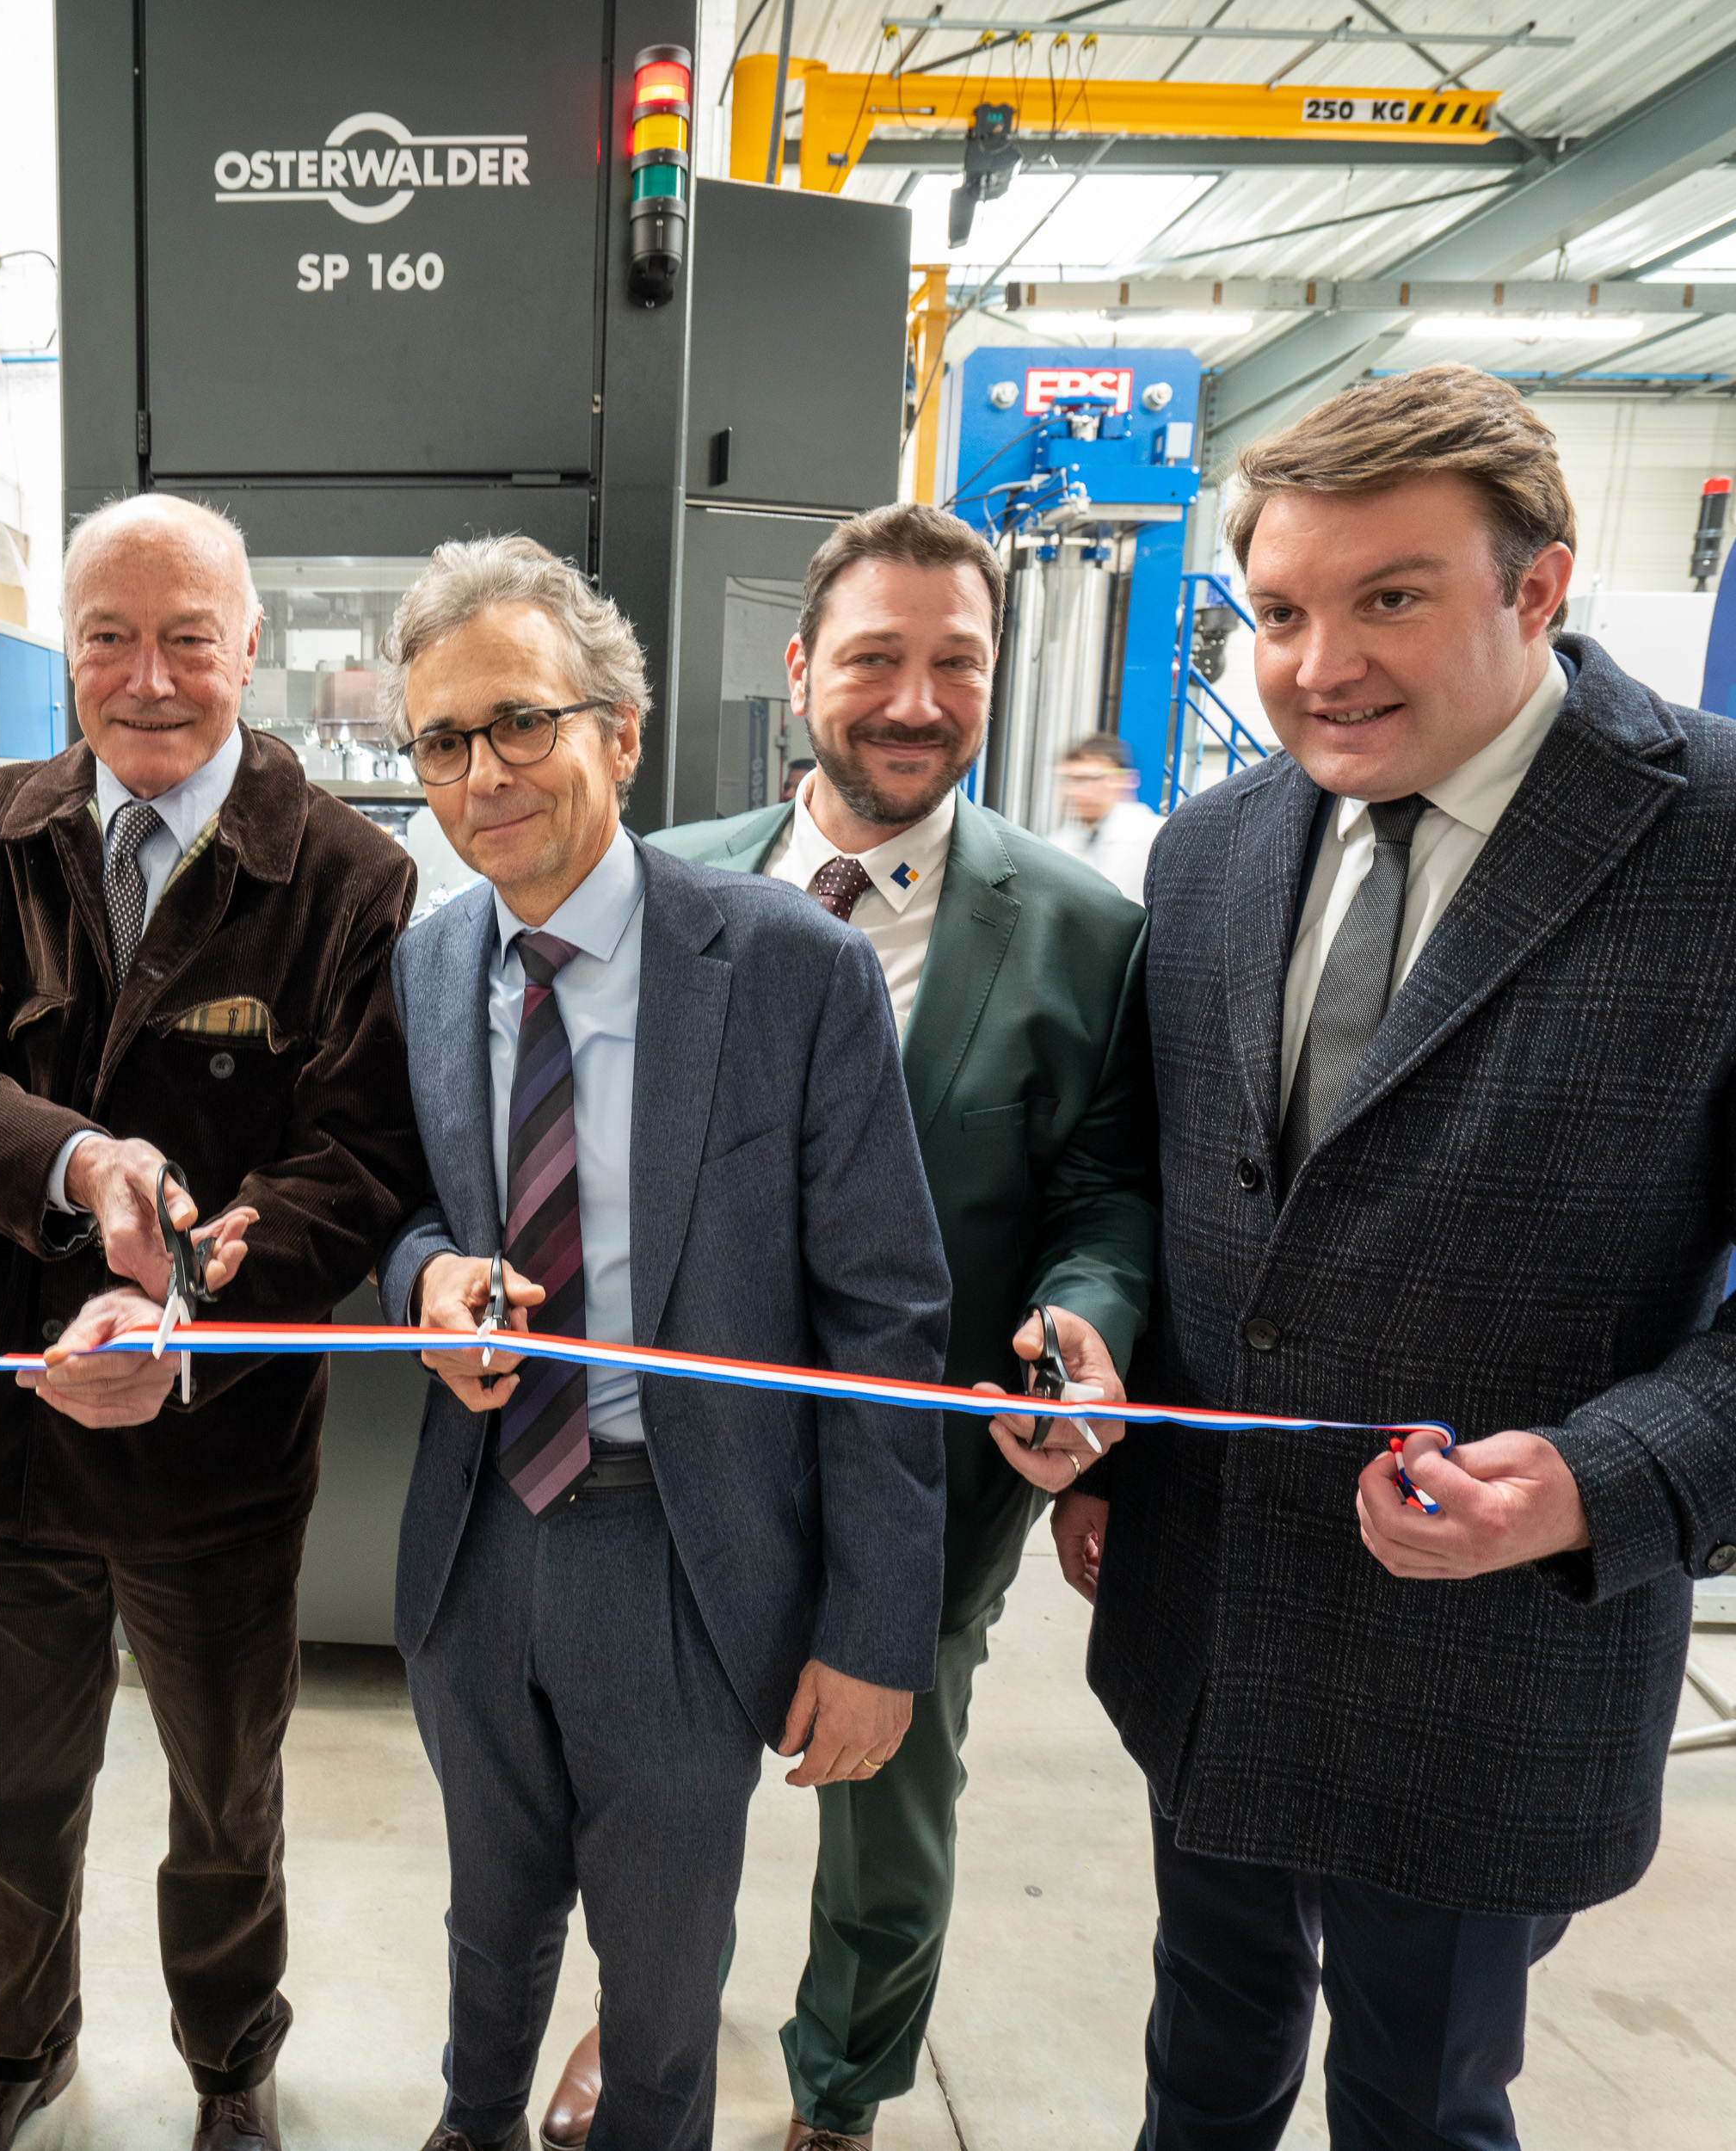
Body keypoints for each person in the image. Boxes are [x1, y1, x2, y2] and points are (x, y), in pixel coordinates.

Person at [1081, 364, 1736, 2148]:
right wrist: (1096, 1376)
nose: (1316, 661)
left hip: (1485, 1645)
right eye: (1277, 609)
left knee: (1418, 2098)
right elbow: (1156, 1176)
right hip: (1205, 1609)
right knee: (1200, 2048)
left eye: (1389, 597)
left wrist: (1595, 1480)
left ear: (1538, 586)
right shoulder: (1212, 847)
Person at [529, 503, 1147, 2151]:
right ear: (802, 672)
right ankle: (639, 2020)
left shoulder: (1079, 931)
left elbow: (1103, 1198)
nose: (915, 700)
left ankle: (843, 2087)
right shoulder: (662, 885)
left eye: (957, 664)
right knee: (662, 1790)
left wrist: (1084, 1325)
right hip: (673, 1452)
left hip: (924, 1463)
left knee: (887, 1811)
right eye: (875, 657)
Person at [0, 492, 426, 2151]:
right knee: (15, 1788)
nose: (150, 675)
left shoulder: (345, 878)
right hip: (2, 1414)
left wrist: (178, 1302)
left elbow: (359, 1156)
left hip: (218, 1445)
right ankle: (14, 2051)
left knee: (223, 1798)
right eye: (109, 635)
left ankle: (230, 2063)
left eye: (189, 636)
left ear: (250, 647)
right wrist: (76, 1159)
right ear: (67, 656)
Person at [374, 536, 953, 2151]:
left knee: (659, 1966)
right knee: (488, 1916)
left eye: (519, 722)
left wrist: (876, 1627)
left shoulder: (787, 970)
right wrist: (427, 1278)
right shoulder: (430, 962)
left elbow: (887, 1318)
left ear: (617, 733)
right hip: (480, 1532)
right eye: (440, 742)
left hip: (685, 1557)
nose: (482, 776)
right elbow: (401, 1209)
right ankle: (470, 2125)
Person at [1049, 731, 1161, 904]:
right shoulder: (1059, 843)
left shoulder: (1155, 837)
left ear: (1124, 779)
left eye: (1088, 778)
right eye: (1070, 780)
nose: (1073, 791)